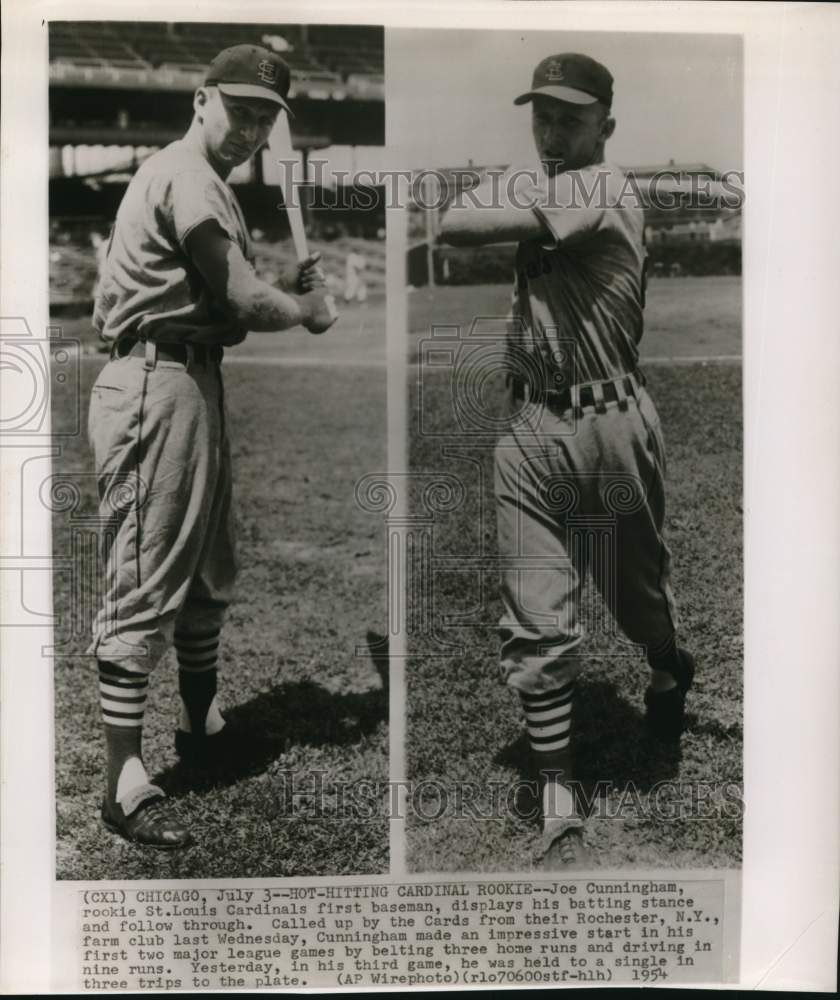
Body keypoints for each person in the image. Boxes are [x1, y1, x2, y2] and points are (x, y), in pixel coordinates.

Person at [440, 53, 695, 869]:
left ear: (606, 128)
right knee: (537, 621)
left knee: (637, 600)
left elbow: (463, 221)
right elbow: (453, 214)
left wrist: (511, 186)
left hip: (609, 422)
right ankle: (559, 798)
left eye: (571, 118)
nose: (553, 132)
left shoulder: (600, 189)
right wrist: (519, 181)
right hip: (527, 425)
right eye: (542, 116)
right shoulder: (550, 183)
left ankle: (666, 668)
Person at [88, 44, 336, 848]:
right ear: (201, 100)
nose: (253, 127)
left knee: (205, 564)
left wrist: (284, 296)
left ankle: (202, 722)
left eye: (266, 116)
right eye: (241, 108)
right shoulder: (188, 176)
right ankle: (123, 781)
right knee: (146, 571)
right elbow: (239, 298)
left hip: (188, 379)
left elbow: (228, 312)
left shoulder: (202, 182)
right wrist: (303, 311)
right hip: (153, 384)